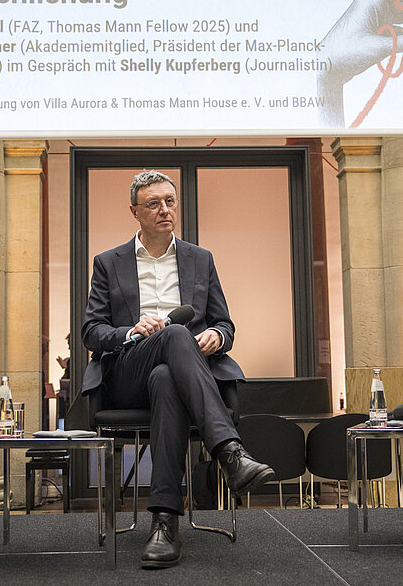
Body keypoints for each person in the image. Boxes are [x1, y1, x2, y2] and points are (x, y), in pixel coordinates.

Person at [81, 170, 275, 569]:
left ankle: (164, 523)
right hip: (127, 371)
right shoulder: (108, 262)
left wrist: (217, 339)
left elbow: (225, 324)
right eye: (153, 203)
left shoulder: (199, 259)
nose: (165, 210)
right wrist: (129, 330)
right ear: (134, 211)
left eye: (170, 201)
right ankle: (229, 452)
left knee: (169, 373)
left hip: (177, 376)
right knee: (173, 334)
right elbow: (91, 330)